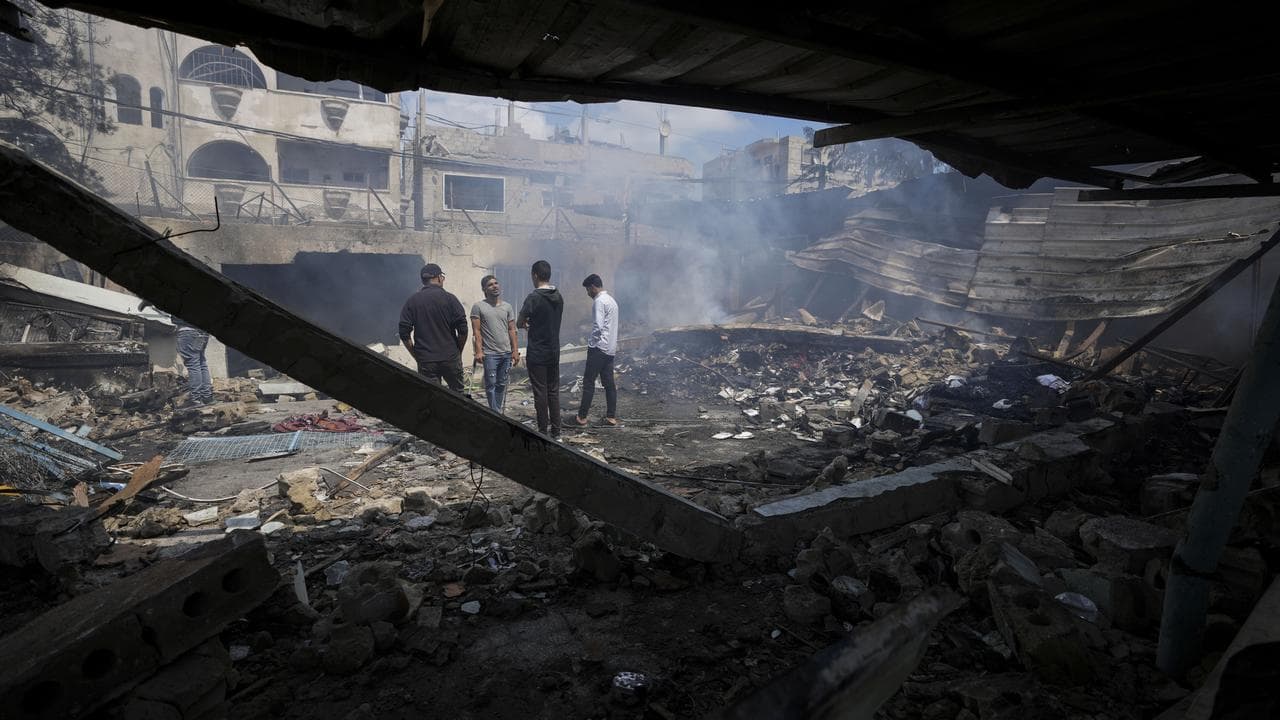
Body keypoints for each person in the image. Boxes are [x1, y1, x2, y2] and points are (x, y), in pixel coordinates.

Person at [399, 263, 468, 391]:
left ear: (423, 280)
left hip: (426, 360)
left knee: (432, 397)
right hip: (450, 357)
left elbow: (404, 333)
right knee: (458, 397)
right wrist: (458, 351)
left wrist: (416, 355)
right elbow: (463, 329)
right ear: (439, 278)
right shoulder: (450, 299)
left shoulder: (412, 301)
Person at [517, 260, 564, 439]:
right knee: (553, 390)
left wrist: (528, 323)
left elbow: (521, 321)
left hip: (537, 352)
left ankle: (543, 430)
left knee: (540, 391)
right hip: (553, 351)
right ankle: (557, 431)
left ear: (535, 275)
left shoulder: (533, 298)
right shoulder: (558, 297)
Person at [139, 301, 212, 405]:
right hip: (203, 331)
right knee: (201, 362)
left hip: (188, 330)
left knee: (193, 364)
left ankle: (196, 398)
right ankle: (207, 396)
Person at [574, 273, 619, 426]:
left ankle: (582, 416)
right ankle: (611, 416)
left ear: (593, 287)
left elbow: (598, 326)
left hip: (599, 348)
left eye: (588, 290)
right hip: (610, 349)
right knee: (609, 383)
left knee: (588, 382)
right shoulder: (612, 301)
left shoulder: (599, 301)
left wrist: (592, 343)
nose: (587, 293)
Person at [470, 274, 520, 412]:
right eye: (490, 285)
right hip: (490, 353)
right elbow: (477, 331)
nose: (494, 286)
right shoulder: (478, 307)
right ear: (484, 289)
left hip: (506, 353)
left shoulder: (507, 307)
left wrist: (515, 350)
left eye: (496, 283)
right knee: (490, 384)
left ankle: (496, 411)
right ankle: (495, 412)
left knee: (502, 383)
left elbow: (512, 330)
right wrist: (479, 351)